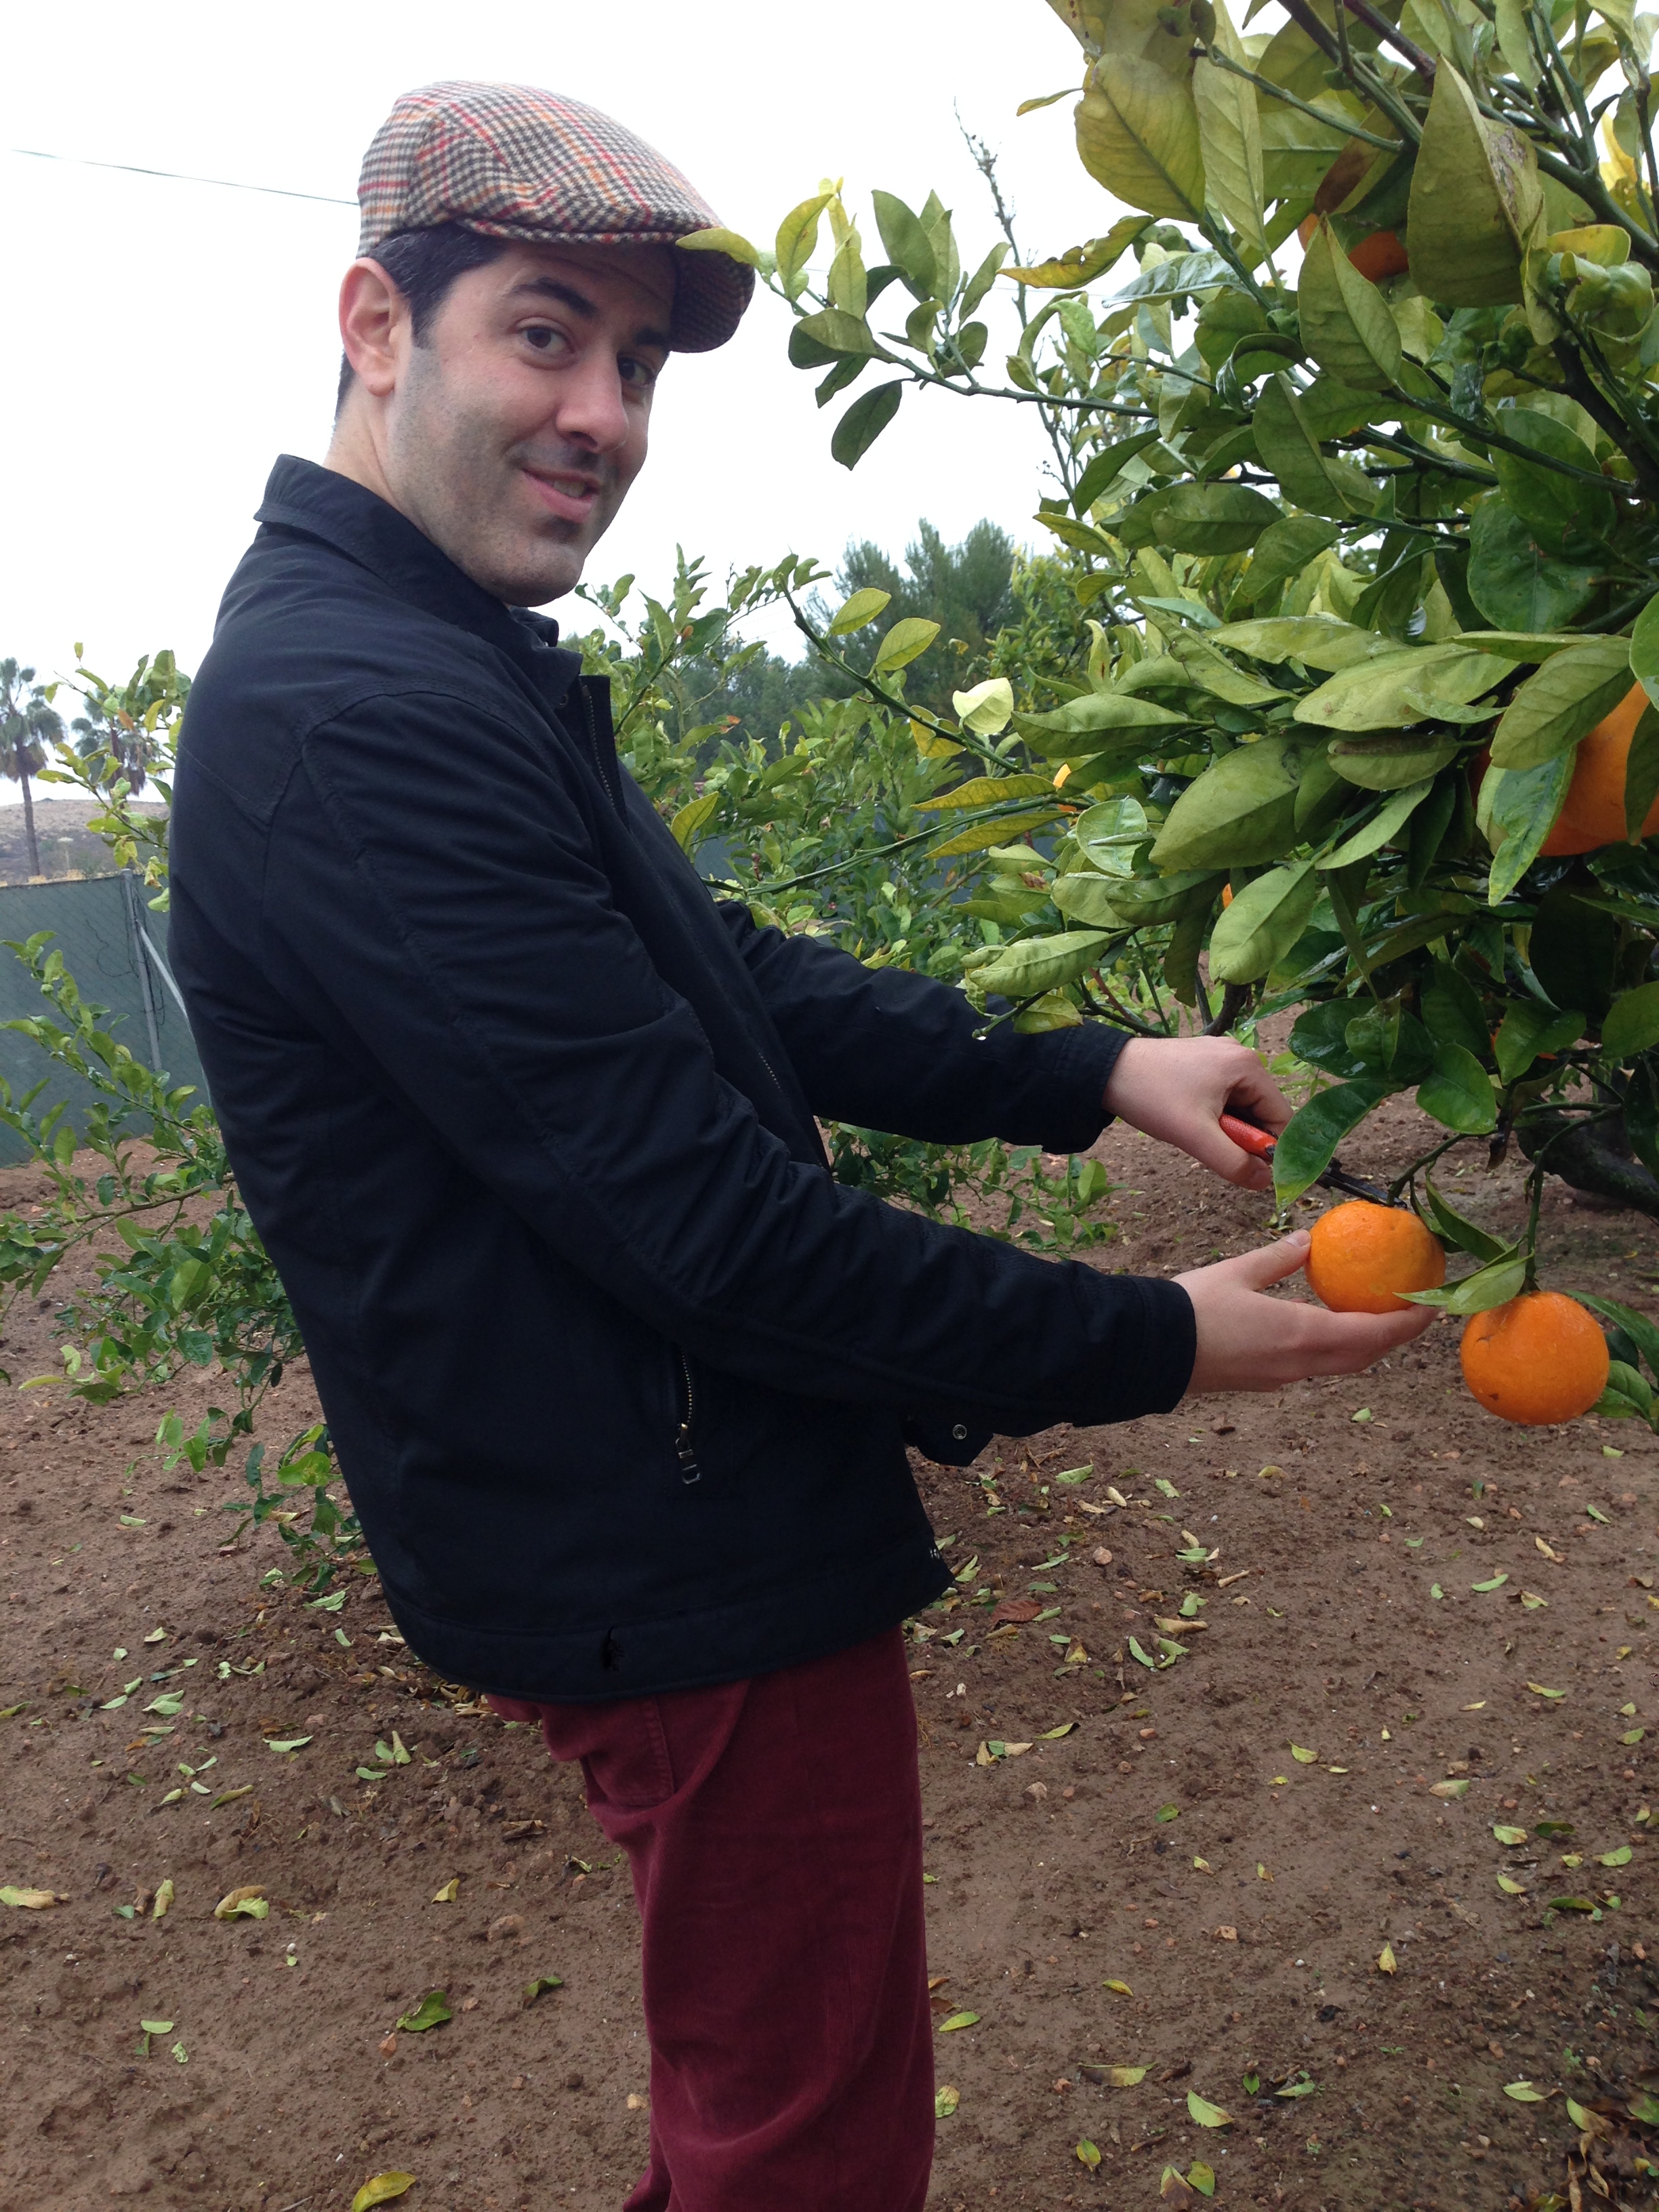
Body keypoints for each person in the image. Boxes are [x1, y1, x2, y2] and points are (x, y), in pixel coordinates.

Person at [169, 80, 1431, 2212]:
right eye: (545, 333)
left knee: (769, 2115)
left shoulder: (430, 654)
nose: (605, 415)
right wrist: (1147, 1343)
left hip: (658, 1496)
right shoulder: (362, 710)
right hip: (671, 1543)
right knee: (807, 2154)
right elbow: (716, 1233)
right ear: (378, 326)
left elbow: (716, 970)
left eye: (637, 366)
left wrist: (1080, 1066)